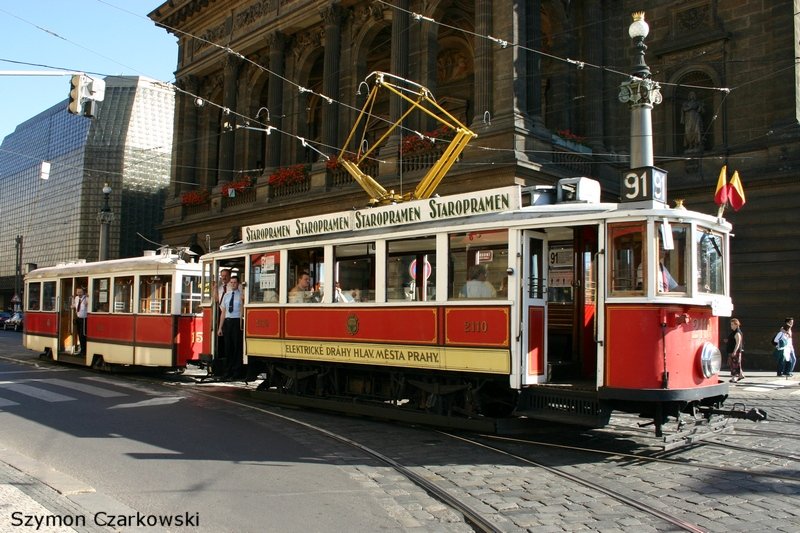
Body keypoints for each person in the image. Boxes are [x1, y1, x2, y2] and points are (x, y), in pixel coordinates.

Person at [217, 276, 245, 380]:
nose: (233, 284)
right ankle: (227, 372)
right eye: (231, 282)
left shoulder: (241, 296)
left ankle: (236, 372)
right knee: (228, 348)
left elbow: (243, 309)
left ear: (238, 284)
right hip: (228, 322)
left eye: (235, 282)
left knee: (237, 347)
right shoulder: (226, 295)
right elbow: (223, 312)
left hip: (236, 321)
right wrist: (220, 328)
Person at [726, 318, 744, 383]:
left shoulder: (737, 333)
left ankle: (733, 378)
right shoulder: (734, 332)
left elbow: (738, 343)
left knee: (733, 365)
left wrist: (734, 351)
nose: (731, 326)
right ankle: (741, 375)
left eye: (732, 324)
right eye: (731, 324)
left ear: (736, 325)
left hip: (734, 351)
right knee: (737, 364)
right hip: (733, 350)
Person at [72, 287, 88, 356]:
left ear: (83, 292)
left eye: (80, 292)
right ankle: (81, 349)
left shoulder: (86, 298)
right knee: (79, 335)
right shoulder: (76, 298)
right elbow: (75, 305)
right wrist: (72, 306)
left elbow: (87, 304)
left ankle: (84, 351)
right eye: (78, 292)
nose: (79, 294)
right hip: (78, 318)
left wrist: (87, 297)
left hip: (84, 319)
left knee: (83, 335)